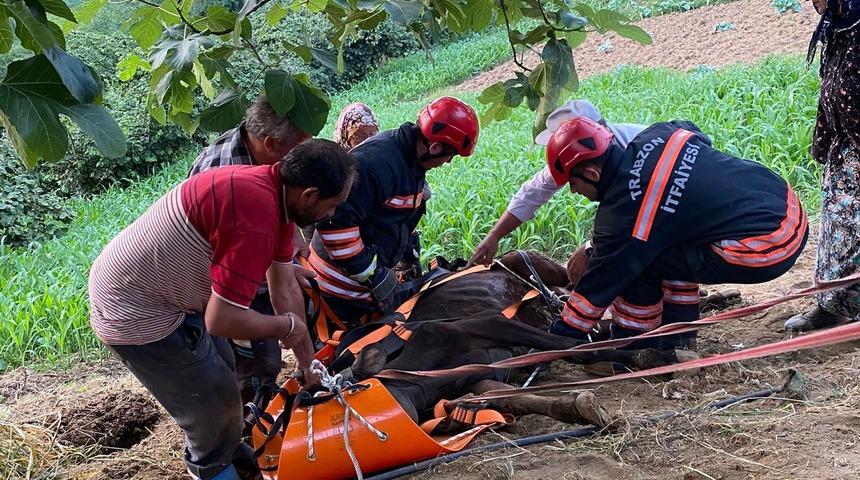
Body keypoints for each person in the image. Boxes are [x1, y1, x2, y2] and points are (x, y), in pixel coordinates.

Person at [89, 140, 356, 480]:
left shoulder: (275, 195)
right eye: (331, 206)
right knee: (214, 405)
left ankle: (234, 456)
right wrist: (287, 327)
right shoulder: (256, 218)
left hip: (168, 292)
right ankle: (212, 468)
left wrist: (309, 366)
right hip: (136, 309)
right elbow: (221, 320)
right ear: (309, 195)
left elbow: (284, 286)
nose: (330, 215)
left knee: (225, 372)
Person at [542, 117, 808, 349]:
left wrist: (565, 330)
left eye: (573, 183)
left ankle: (633, 344)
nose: (574, 191)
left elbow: (600, 281)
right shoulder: (658, 134)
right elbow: (696, 133)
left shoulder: (621, 215)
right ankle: (679, 335)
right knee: (666, 235)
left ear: (591, 173)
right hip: (788, 206)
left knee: (639, 260)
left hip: (767, 246)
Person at [188, 95, 315, 416]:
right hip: (215, 283)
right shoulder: (230, 171)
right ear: (272, 144)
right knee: (259, 361)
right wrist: (279, 271)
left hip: (244, 261)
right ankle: (251, 425)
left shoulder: (268, 161)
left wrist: (290, 253)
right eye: (298, 146)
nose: (303, 153)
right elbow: (231, 260)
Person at [308, 96, 480, 328]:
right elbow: (334, 224)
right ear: (435, 147)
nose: (448, 162)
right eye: (450, 156)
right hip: (339, 290)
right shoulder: (376, 164)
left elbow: (393, 216)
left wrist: (407, 252)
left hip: (362, 286)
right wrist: (373, 276)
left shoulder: (410, 162)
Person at [468, 100, 646, 267]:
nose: (572, 190)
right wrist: (494, 236)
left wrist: (590, 246)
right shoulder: (574, 158)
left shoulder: (641, 152)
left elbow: (640, 217)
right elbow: (534, 191)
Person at [784, 0, 860, 331]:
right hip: (848, 145)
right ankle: (833, 305)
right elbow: (834, 84)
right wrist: (826, 136)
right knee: (838, 226)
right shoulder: (841, 23)